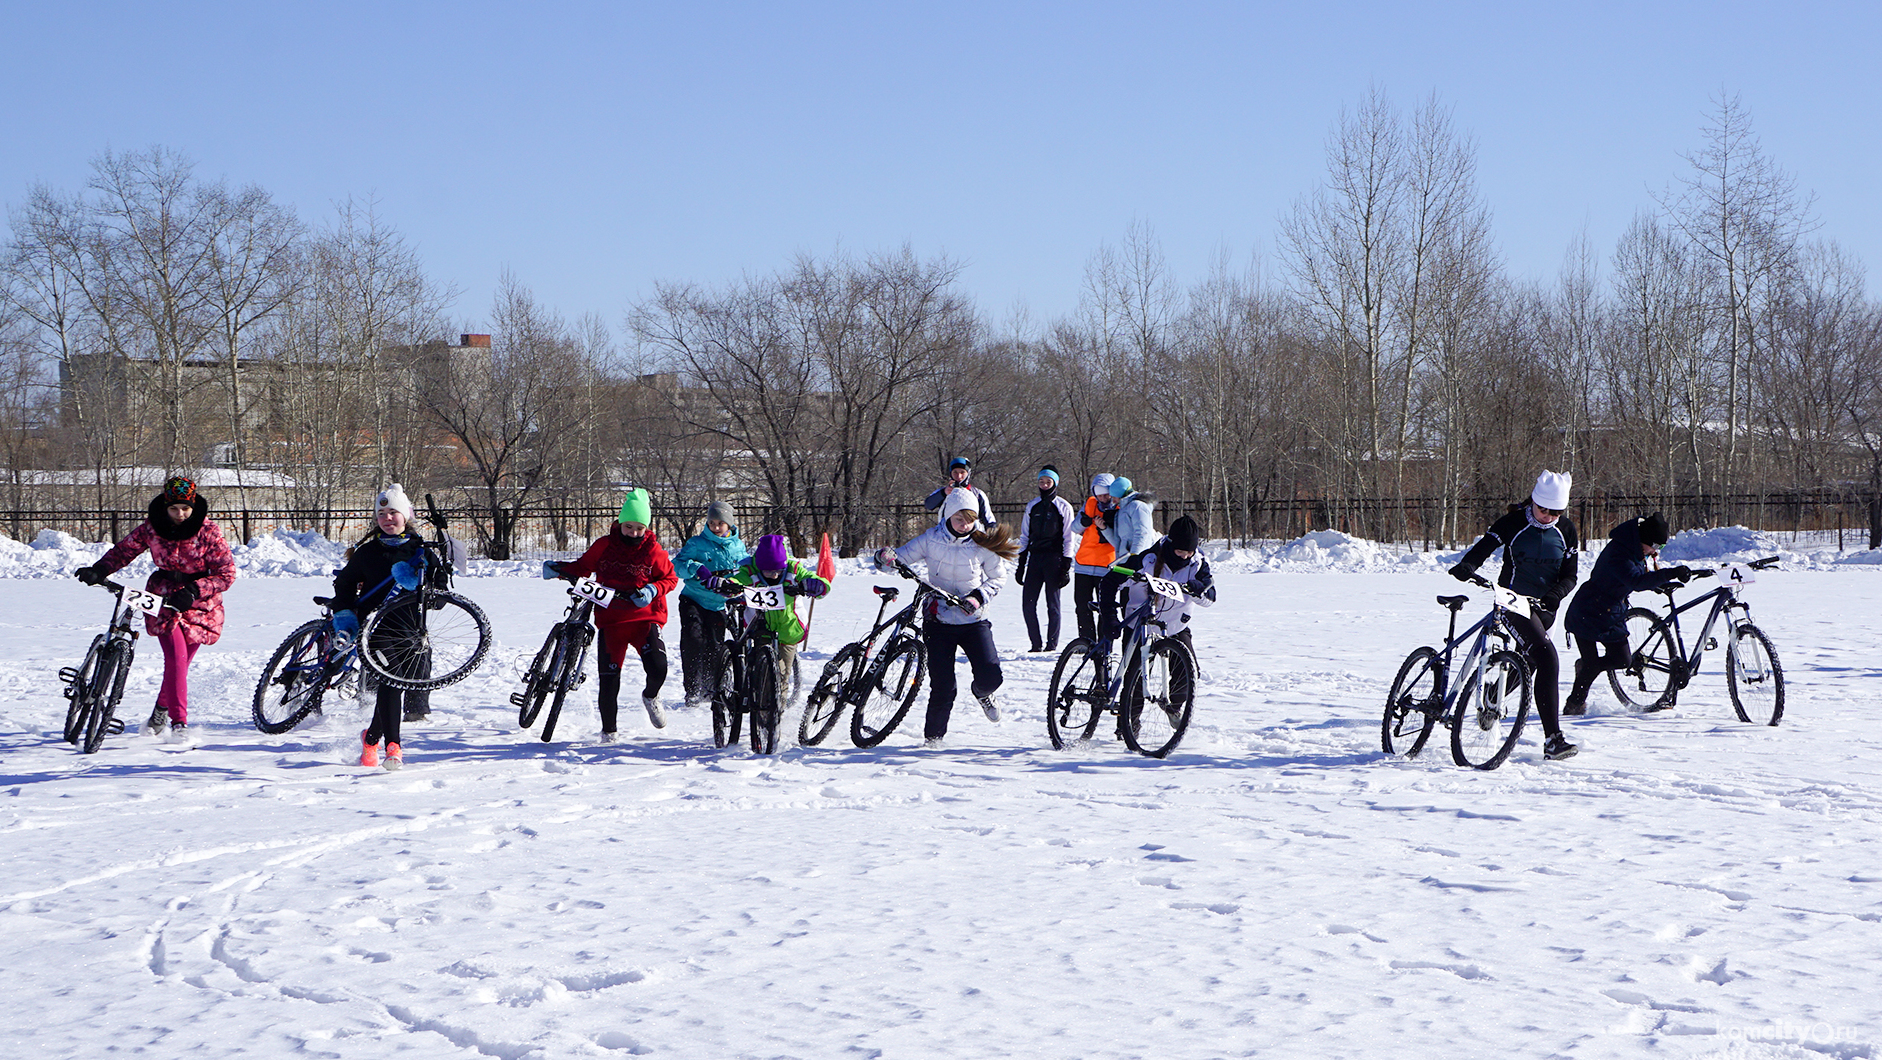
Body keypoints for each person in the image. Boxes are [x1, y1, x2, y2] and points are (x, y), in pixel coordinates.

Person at [75, 475, 236, 744]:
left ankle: (161, 709)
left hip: (200, 605)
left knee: (180, 666)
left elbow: (226, 573)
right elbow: (124, 551)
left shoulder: (208, 531)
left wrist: (195, 590)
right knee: (175, 659)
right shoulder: (152, 527)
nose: (180, 514)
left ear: (194, 507)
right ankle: (179, 721)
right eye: (174, 509)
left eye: (185, 508)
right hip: (162, 599)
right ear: (165, 507)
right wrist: (100, 569)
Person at [1449, 470, 1582, 761]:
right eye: (1543, 509)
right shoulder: (1514, 522)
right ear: (1533, 502)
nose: (1547, 516)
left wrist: (1554, 596)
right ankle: (1553, 740)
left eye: (1555, 511)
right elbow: (1484, 547)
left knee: (1530, 663)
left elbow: (1571, 576)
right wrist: (1467, 566)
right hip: (1512, 600)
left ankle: (1493, 695)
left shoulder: (1567, 530)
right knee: (1547, 656)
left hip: (1546, 607)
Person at [874, 489, 1019, 745]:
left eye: (970, 519)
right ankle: (933, 742)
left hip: (973, 621)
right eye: (959, 519)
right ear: (947, 515)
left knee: (991, 676)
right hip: (938, 621)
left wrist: (977, 597)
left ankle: (982, 693)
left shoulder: (982, 543)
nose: (965, 525)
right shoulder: (931, 538)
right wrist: (885, 558)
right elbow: (901, 558)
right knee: (943, 687)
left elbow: (998, 577)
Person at [544, 487, 680, 741]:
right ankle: (609, 732)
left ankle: (651, 696)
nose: (634, 533)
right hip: (611, 620)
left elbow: (670, 578)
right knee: (609, 678)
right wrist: (559, 570)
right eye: (629, 527)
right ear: (620, 523)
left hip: (644, 619)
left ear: (647, 528)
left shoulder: (653, 550)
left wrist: (652, 589)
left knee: (658, 667)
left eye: (640, 528)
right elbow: (583, 567)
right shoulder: (604, 546)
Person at [329, 484, 430, 768]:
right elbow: (344, 584)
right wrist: (346, 615)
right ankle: (394, 747)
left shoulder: (420, 551)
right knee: (392, 679)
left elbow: (440, 598)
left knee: (393, 685)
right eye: (381, 513)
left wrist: (418, 581)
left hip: (410, 630)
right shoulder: (368, 552)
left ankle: (371, 738)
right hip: (373, 630)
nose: (387, 518)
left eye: (393, 512)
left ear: (406, 515)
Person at [1562, 512, 1693, 715]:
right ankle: (1574, 705)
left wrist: (1659, 582)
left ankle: (1587, 667)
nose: (1655, 552)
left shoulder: (1635, 550)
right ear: (1644, 540)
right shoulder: (1619, 552)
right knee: (1591, 665)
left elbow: (1638, 577)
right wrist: (1669, 573)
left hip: (1612, 612)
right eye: (1656, 546)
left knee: (1623, 660)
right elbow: (1635, 581)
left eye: (1661, 548)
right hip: (1587, 611)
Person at [696, 533, 830, 707]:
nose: (773, 576)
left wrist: (816, 585)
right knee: (760, 669)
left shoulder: (793, 569)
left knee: (781, 674)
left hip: (788, 629)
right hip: (760, 626)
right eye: (767, 571)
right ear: (759, 567)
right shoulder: (750, 570)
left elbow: (816, 581)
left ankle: (775, 714)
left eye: (777, 572)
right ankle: (755, 690)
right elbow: (737, 581)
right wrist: (726, 584)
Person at [1097, 514, 1217, 658]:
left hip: (1175, 627)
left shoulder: (1198, 565)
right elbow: (1109, 582)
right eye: (1179, 552)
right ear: (1171, 546)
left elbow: (1210, 597)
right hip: (1140, 627)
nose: (1184, 557)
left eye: (1189, 553)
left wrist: (1198, 591)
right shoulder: (1147, 560)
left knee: (1186, 678)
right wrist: (1109, 616)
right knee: (1135, 679)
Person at [671, 501, 749, 708]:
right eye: (712, 522)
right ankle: (692, 689)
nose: (715, 527)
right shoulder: (697, 543)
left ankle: (710, 687)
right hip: (693, 599)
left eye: (720, 523)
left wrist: (738, 583)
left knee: (715, 646)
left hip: (718, 604)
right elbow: (677, 565)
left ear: (729, 524)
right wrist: (696, 568)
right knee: (693, 639)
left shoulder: (737, 545)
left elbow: (745, 570)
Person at [1016, 465, 1078, 653]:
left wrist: (1066, 565)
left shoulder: (1063, 506)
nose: (1044, 485)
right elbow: (1025, 535)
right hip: (1035, 558)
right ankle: (1036, 644)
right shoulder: (1032, 506)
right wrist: (1021, 564)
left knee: (1053, 604)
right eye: (1041, 481)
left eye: (1048, 482)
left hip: (1054, 559)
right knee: (1028, 603)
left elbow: (1069, 537)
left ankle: (1051, 645)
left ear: (1055, 483)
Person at [1072, 473, 1118, 642]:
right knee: (1082, 606)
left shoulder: (1118, 508)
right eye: (1098, 493)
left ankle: (1103, 642)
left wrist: (1106, 527)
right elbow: (1074, 527)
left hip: (1106, 566)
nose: (1103, 497)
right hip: (1083, 563)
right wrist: (1083, 522)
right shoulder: (1090, 504)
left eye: (1106, 493)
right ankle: (1086, 641)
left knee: (1104, 608)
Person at [923, 456, 994, 527]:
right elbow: (928, 505)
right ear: (951, 473)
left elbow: (989, 519)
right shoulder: (943, 491)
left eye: (962, 472)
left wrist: (992, 534)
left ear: (968, 473)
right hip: (946, 535)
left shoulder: (978, 494)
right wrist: (943, 493)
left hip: (971, 535)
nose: (959, 476)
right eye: (955, 472)